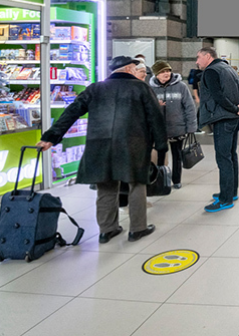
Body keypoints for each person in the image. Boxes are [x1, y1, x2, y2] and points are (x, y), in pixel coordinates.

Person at [36, 56, 167, 243]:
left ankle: (107, 230)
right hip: (133, 145)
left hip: (99, 145)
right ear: (129, 69)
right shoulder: (141, 88)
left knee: (105, 186)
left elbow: (72, 112)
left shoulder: (95, 88)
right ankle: (137, 229)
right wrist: (161, 147)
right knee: (137, 184)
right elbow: (156, 118)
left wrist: (50, 137)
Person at [196, 47, 239, 212]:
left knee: (223, 158)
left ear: (207, 56)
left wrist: (234, 109)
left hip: (223, 118)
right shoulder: (228, 68)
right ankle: (231, 192)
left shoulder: (211, 71)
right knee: (231, 155)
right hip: (233, 118)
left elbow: (218, 96)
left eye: (198, 57)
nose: (197, 61)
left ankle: (225, 199)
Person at [149, 61, 198, 189]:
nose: (166, 74)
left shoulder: (181, 86)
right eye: (162, 72)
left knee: (177, 155)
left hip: (177, 127)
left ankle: (176, 180)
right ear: (156, 74)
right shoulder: (150, 88)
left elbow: (189, 107)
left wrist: (191, 127)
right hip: (159, 129)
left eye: (168, 71)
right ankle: (161, 179)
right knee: (160, 156)